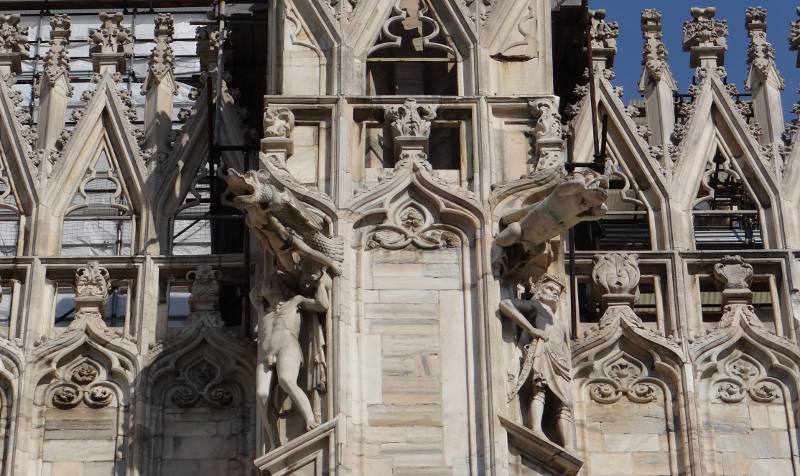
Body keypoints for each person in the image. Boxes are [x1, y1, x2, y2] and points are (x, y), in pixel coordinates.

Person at [250, 271, 331, 447]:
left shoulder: (295, 301)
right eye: (266, 283)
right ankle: (274, 441)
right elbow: (252, 293)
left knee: (286, 380)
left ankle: (309, 418)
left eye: (273, 282)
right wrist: (269, 279)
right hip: (265, 354)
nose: (267, 284)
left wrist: (321, 283)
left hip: (287, 346)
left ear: (282, 287)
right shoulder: (262, 309)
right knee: (262, 395)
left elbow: (322, 305)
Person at [499, 273, 574, 449]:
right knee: (540, 387)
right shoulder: (536, 306)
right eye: (550, 288)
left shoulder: (560, 322)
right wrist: (531, 329)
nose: (554, 293)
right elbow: (506, 304)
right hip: (543, 351)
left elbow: (565, 346)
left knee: (565, 403)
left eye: (557, 291)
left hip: (560, 361)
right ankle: (536, 429)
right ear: (539, 291)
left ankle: (569, 445)